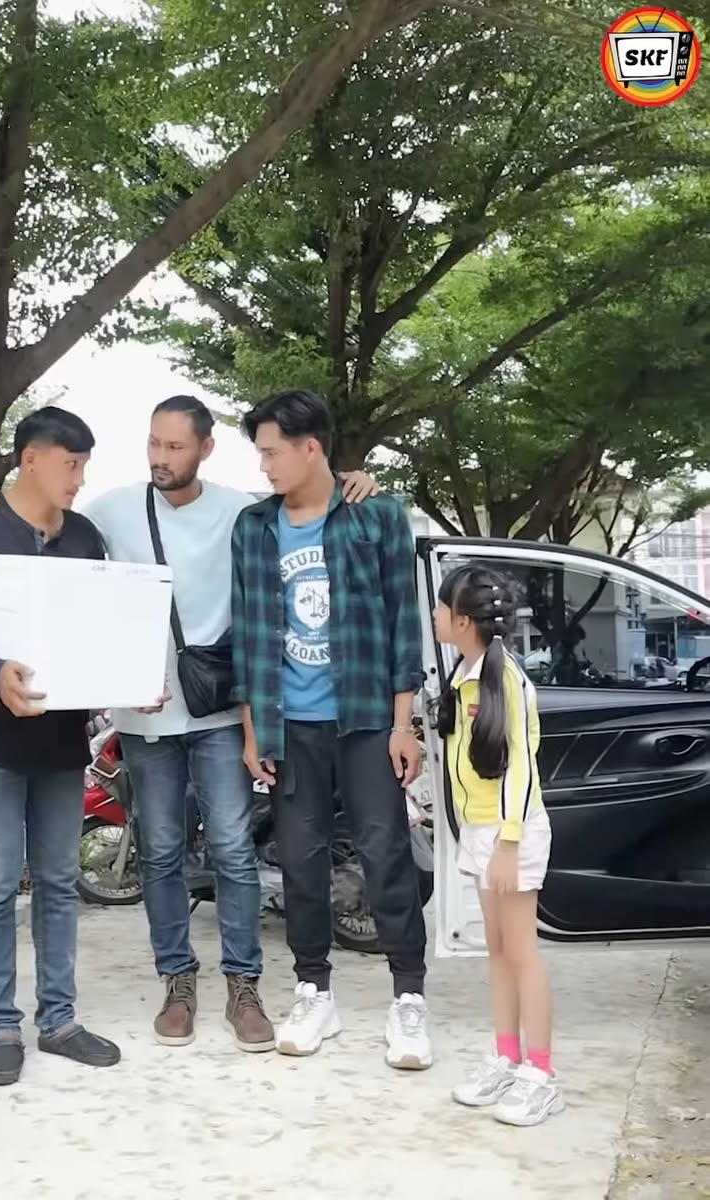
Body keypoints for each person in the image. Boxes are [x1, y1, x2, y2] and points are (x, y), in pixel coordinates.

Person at [0, 394, 378, 1053]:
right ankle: (176, 981)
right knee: (159, 854)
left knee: (232, 848)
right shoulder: (105, 513)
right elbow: (41, 531)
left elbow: (304, 499)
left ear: (206, 449)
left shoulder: (239, 510)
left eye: (174, 447)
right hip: (139, 721)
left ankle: (242, 984)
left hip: (216, 714)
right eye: (153, 443)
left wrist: (352, 480)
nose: (160, 457)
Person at [231, 389, 432, 1066]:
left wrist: (403, 724)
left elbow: (404, 623)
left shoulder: (375, 516)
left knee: (386, 852)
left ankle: (409, 998)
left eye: (272, 452)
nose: (264, 466)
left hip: (367, 718)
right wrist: (254, 730)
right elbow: (249, 636)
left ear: (310, 447)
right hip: (291, 725)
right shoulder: (255, 528)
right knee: (300, 859)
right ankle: (313, 990)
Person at [0, 406, 120, 1086]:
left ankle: (59, 1020)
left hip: (61, 744)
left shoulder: (85, 538)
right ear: (30, 460)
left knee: (61, 884)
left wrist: (126, 679)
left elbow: (97, 630)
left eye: (84, 466)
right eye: (70, 464)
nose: (78, 478)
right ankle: (0, 1028)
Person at [433, 564, 562, 1127]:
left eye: (441, 608)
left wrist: (509, 841)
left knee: (522, 952)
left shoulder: (506, 679)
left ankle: (541, 1074)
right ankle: (507, 1058)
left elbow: (521, 769)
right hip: (483, 832)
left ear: (463, 621)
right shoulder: (465, 674)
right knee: (498, 950)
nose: (434, 615)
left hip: (513, 833)